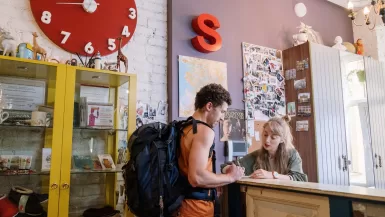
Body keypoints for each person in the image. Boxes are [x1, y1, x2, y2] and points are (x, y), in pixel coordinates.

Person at [177, 83, 245, 217]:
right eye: (222, 111)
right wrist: (230, 177)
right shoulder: (204, 132)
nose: (222, 118)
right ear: (209, 106)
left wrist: (217, 180)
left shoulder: (185, 128)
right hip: (197, 209)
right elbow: (196, 177)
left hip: (180, 206)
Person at [221, 115, 307, 181]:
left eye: (273, 137)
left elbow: (300, 178)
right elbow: (225, 166)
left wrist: (272, 175)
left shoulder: (292, 154)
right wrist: (232, 170)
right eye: (265, 135)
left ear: (282, 140)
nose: (267, 140)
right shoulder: (256, 155)